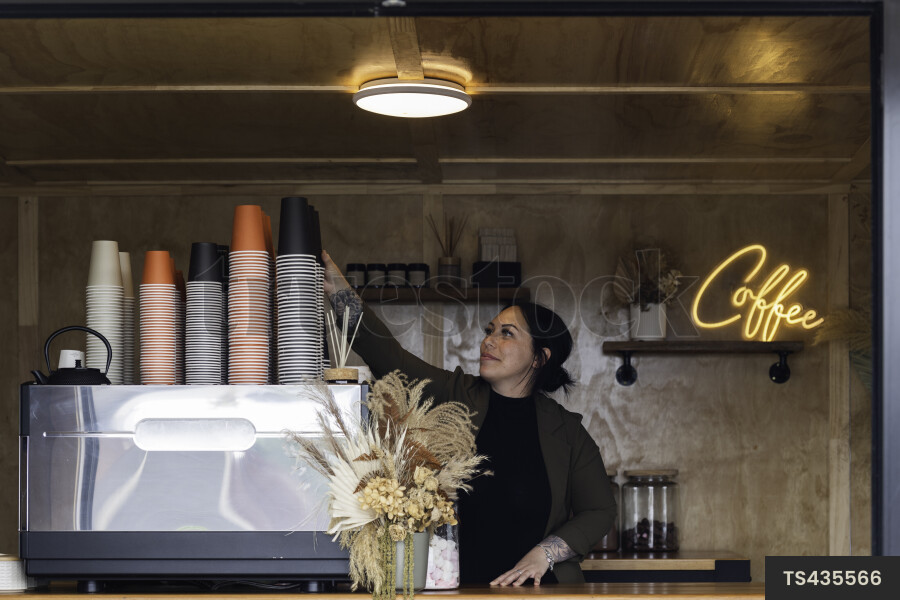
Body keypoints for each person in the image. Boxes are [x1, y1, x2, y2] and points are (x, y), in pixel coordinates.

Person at [322, 250, 616, 587]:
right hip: (456, 589)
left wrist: (545, 554)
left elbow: (600, 510)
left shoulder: (567, 431)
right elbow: (389, 356)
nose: (488, 340)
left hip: (540, 593)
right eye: (491, 330)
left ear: (540, 358)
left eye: (507, 333)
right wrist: (341, 292)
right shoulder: (455, 393)